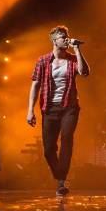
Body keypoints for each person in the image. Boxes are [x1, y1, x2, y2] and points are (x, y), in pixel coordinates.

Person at [27, 25, 90, 196]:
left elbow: (84, 72)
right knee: (48, 149)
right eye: (63, 36)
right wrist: (30, 110)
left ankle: (61, 182)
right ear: (54, 41)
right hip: (49, 108)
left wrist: (77, 49)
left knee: (67, 138)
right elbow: (35, 85)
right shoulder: (42, 61)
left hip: (69, 107)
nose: (66, 39)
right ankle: (60, 176)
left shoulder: (72, 59)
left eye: (67, 36)